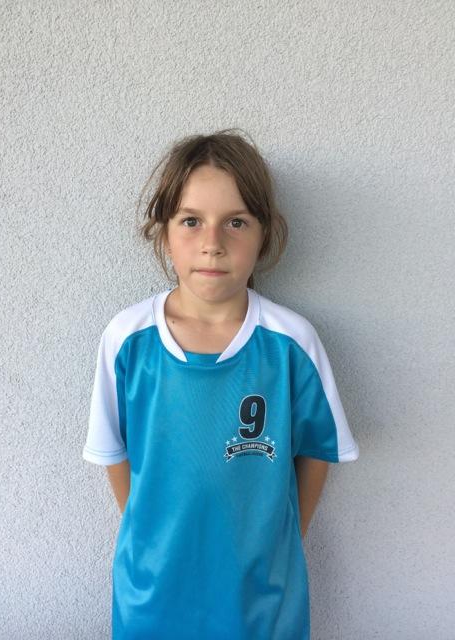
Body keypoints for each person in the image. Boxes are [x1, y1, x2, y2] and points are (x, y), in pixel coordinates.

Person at [82, 128, 360, 640]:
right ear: (164, 232)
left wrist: (277, 545)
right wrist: (154, 538)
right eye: (191, 221)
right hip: (153, 598)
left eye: (236, 222)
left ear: (264, 233)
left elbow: (317, 452)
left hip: (262, 604)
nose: (212, 244)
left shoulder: (292, 344)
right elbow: (114, 456)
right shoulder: (127, 340)